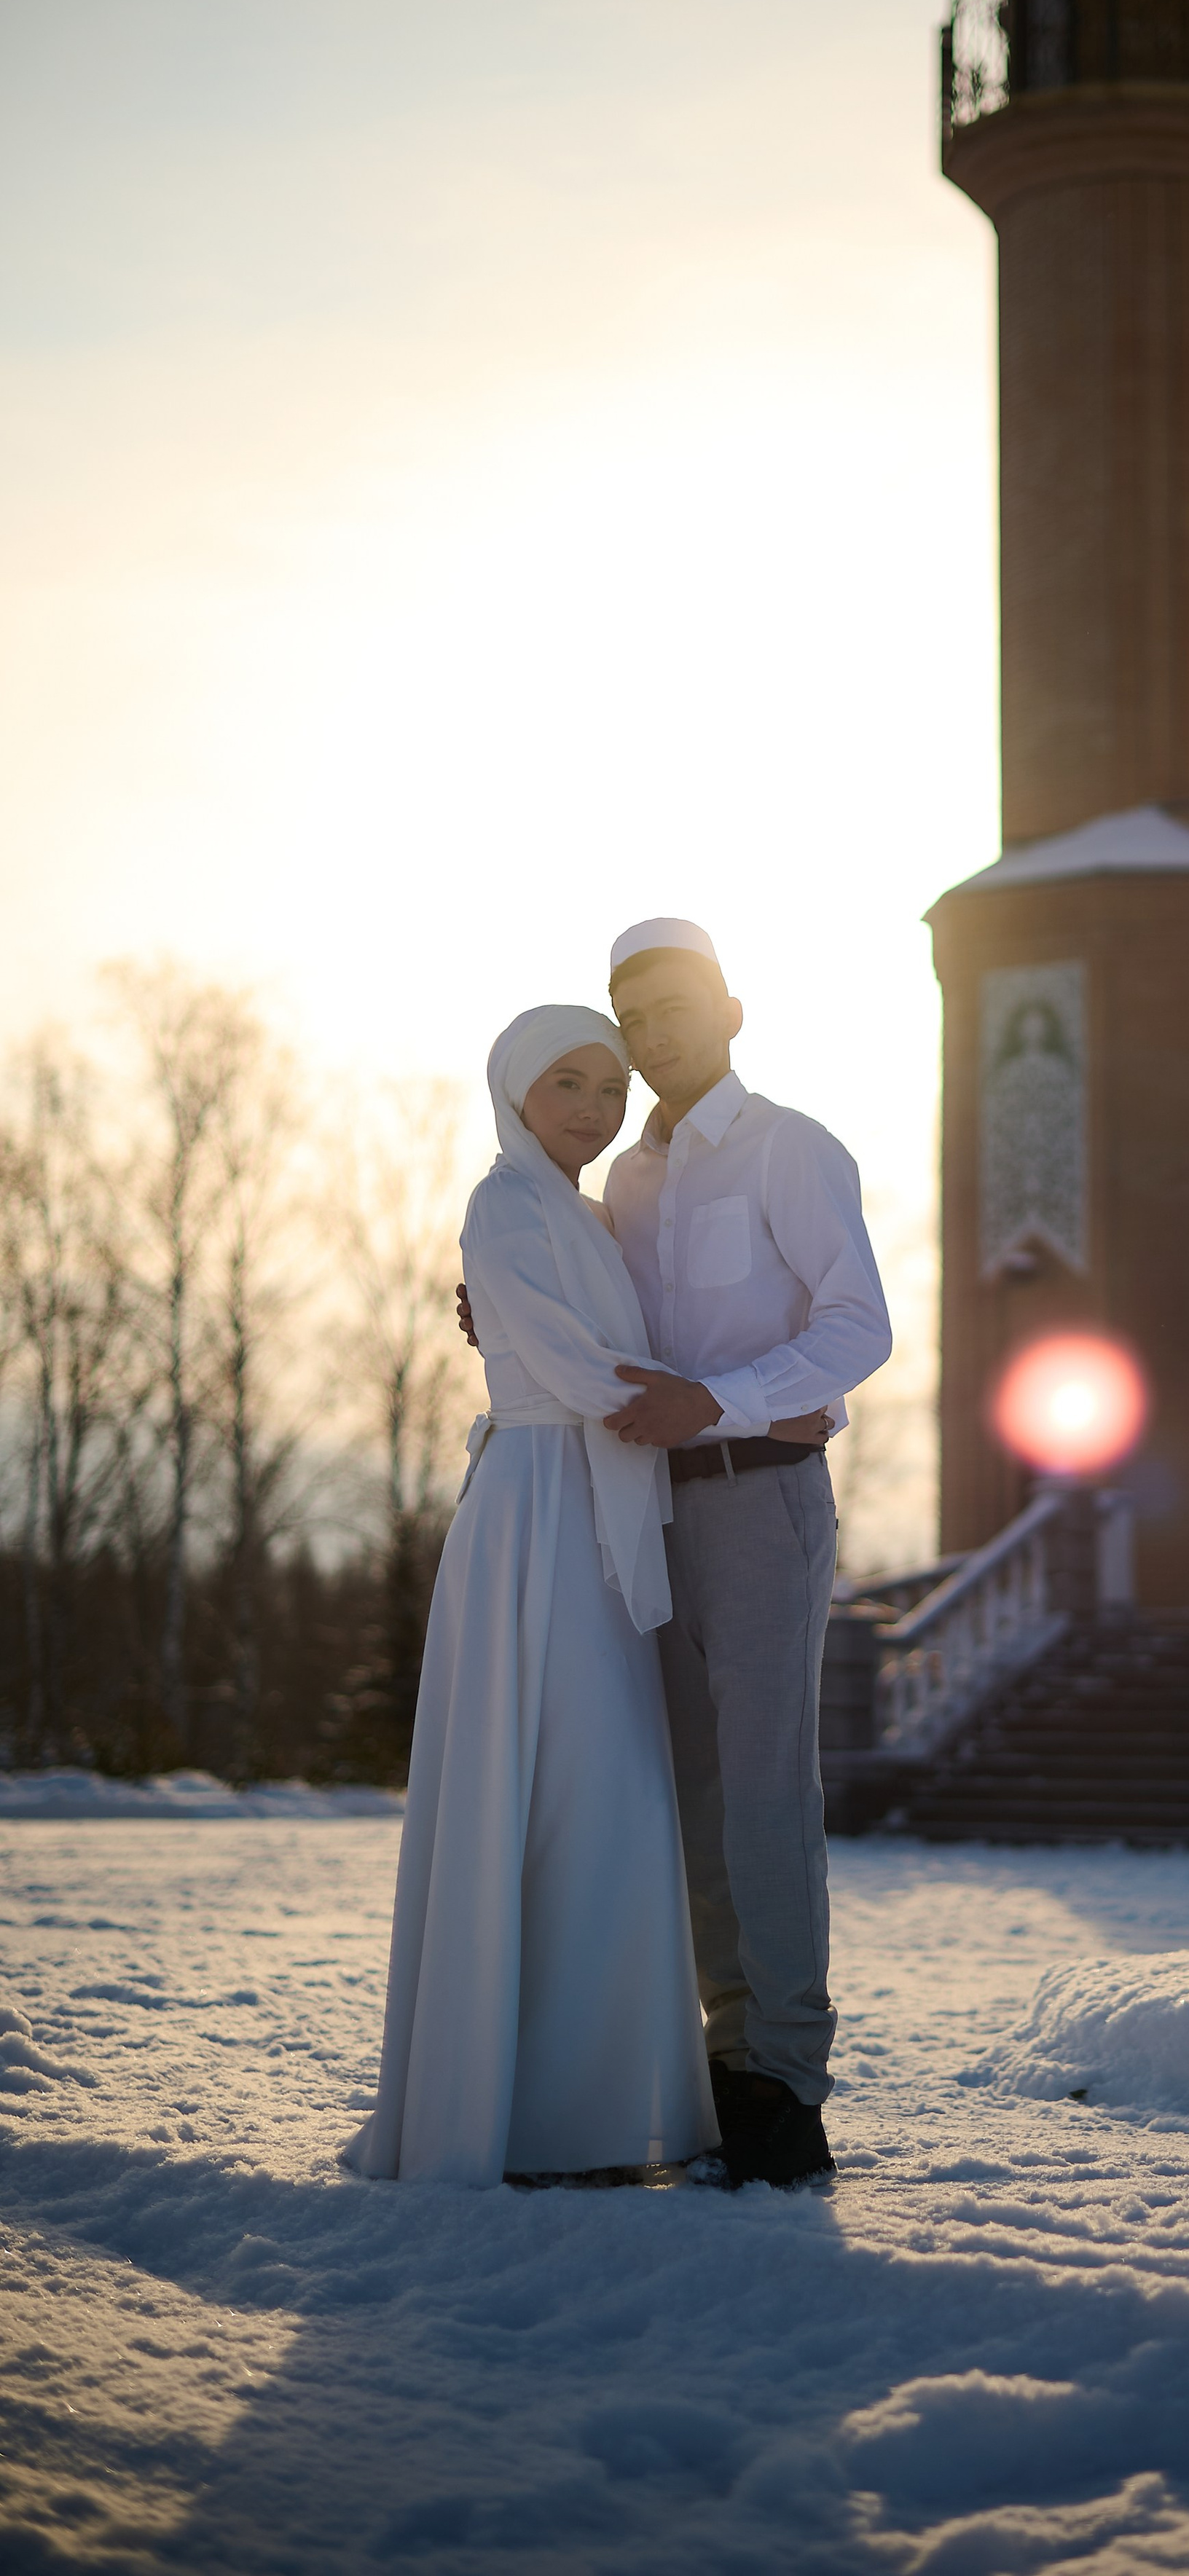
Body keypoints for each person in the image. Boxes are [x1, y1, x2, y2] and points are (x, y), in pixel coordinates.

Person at [457, 921, 891, 2189]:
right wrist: (509, 1313)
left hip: (760, 1503)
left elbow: (858, 1327)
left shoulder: (790, 1149)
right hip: (638, 1507)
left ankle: (786, 2085)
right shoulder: (626, 1186)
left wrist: (727, 1402)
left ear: (732, 1012)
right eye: (633, 1020)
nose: (654, 1037)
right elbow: (597, 1321)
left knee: (762, 1792)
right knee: (688, 1794)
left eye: (676, 1009)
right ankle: (726, 2055)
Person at [345, 1007, 715, 2189]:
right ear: (515, 1089)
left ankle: (595, 2113)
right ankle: (514, 2117)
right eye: (569, 1083)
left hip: (602, 1507)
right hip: (539, 1512)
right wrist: (727, 1401)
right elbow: (569, 1365)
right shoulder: (502, 1201)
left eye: (612, 1088)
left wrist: (706, 1389)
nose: (595, 1109)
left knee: (604, 1793)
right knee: (540, 1782)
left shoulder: (591, 1219)